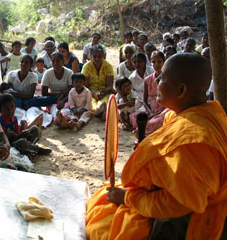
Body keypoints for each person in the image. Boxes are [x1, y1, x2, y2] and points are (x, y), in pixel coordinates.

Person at [86, 53, 227, 240]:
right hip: (169, 196)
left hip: (189, 219)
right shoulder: (199, 112)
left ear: (181, 90)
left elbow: (179, 203)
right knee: (103, 197)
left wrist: (128, 198)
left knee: (105, 222)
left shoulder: (195, 140)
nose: (156, 81)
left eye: (162, 78)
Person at [0, 93, 51, 159]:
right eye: (6, 108)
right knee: (22, 142)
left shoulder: (14, 118)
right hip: (11, 146)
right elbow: (6, 141)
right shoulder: (0, 122)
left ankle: (29, 149)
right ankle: (37, 150)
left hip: (19, 140)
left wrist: (21, 129)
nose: (10, 110)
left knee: (35, 129)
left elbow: (17, 133)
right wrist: (19, 136)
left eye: (12, 106)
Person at [81, 45, 115, 121]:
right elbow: (85, 86)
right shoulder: (86, 67)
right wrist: (94, 94)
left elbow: (110, 86)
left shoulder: (108, 66)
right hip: (90, 92)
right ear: (91, 56)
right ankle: (100, 112)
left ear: (103, 56)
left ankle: (101, 111)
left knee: (104, 103)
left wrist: (103, 92)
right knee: (92, 104)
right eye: (94, 56)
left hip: (105, 92)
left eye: (99, 56)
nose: (97, 59)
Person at [142, 51, 169, 135]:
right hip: (152, 109)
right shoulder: (147, 79)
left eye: (159, 61)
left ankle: (144, 132)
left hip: (165, 108)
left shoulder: (168, 78)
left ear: (164, 62)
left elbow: (170, 99)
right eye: (153, 62)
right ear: (150, 63)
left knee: (160, 119)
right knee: (135, 117)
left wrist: (158, 113)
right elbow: (144, 100)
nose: (156, 64)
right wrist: (150, 112)